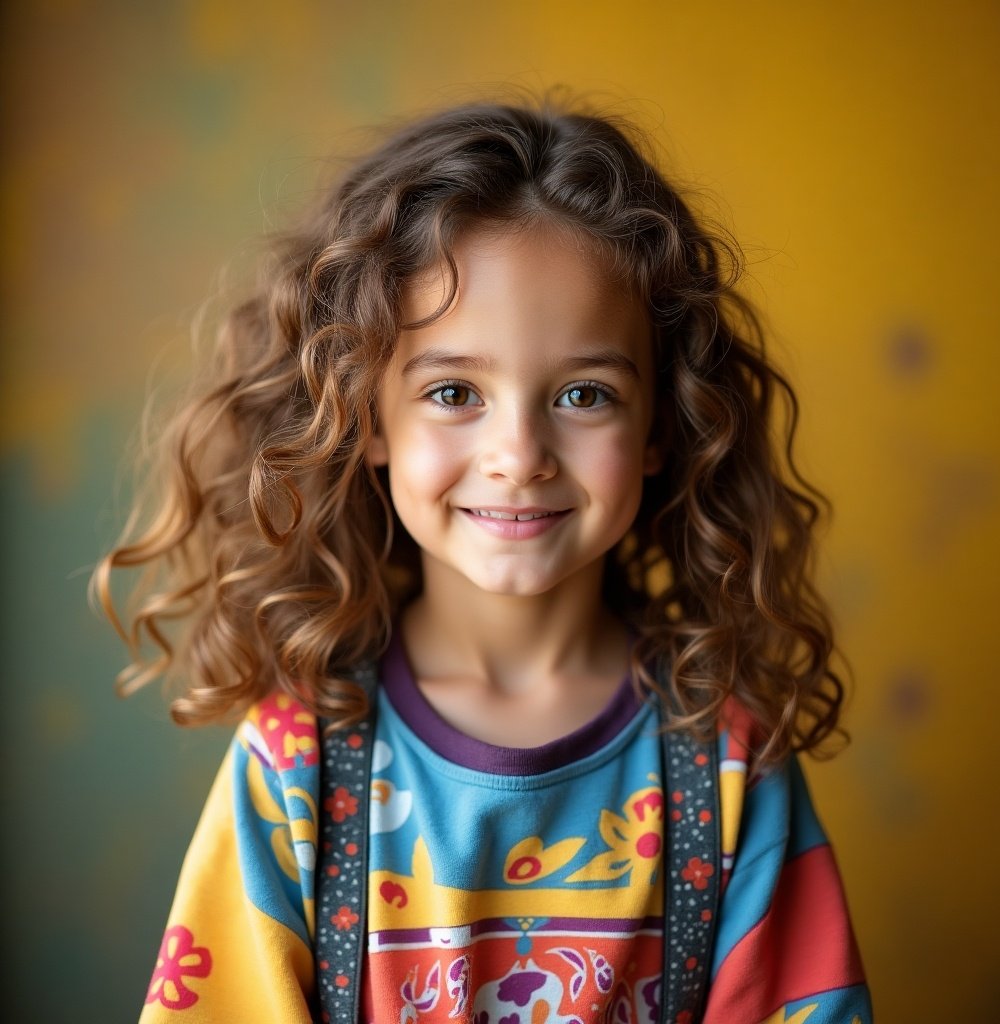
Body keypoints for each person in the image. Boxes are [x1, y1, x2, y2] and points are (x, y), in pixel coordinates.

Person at [95, 97, 872, 1023]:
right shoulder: (296, 764)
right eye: (455, 391)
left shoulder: (731, 764)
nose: (519, 453)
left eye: (585, 394)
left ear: (663, 425)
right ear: (366, 416)